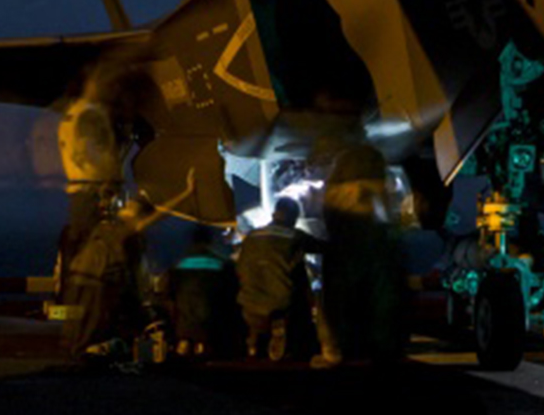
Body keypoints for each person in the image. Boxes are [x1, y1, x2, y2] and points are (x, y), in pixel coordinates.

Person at [316, 143, 408, 366]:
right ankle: (384, 350)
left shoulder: (337, 192)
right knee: (384, 295)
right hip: (375, 243)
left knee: (338, 294)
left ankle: (340, 348)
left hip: (346, 244)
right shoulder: (376, 191)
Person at [59, 197, 156, 364]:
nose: (126, 206)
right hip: (95, 281)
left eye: (132, 206)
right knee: (91, 323)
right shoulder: (115, 228)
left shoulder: (120, 229)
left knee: (89, 323)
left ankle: (81, 355)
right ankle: (82, 355)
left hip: (88, 279)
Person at [235, 198, 317, 361]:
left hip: (248, 302)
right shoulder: (295, 236)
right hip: (283, 303)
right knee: (298, 269)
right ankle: (289, 334)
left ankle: (254, 340)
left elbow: (240, 267)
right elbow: (325, 248)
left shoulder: (251, 236)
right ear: (293, 217)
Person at [161, 225, 240, 359]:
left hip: (185, 329)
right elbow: (233, 294)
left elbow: (168, 295)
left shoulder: (178, 266)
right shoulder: (223, 264)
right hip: (214, 329)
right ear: (211, 241)